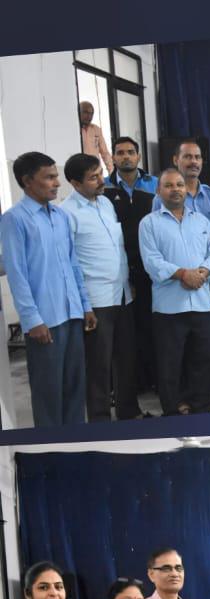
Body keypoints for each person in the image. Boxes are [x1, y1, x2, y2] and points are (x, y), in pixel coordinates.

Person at [0, 151, 95, 427]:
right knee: (48, 392)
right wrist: (32, 320)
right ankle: (49, 447)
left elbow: (73, 264)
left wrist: (85, 305)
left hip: (71, 313)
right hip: (45, 320)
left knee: (75, 388)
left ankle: (75, 442)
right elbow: (17, 274)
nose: (57, 183)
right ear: (27, 181)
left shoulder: (61, 216)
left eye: (56, 176)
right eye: (50, 177)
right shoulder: (15, 219)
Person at [61, 153, 143, 423]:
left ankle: (129, 412)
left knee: (126, 358)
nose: (100, 181)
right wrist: (84, 305)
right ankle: (99, 420)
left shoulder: (106, 203)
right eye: (93, 177)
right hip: (96, 300)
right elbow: (69, 263)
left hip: (122, 294)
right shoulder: (67, 213)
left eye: (100, 174)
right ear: (75, 183)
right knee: (99, 363)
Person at [139, 168, 210, 416]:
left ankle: (201, 409)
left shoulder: (202, 221)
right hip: (169, 308)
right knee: (170, 364)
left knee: (206, 360)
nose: (175, 189)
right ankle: (172, 414)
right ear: (158, 190)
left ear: (186, 189)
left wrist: (202, 273)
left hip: (201, 304)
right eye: (169, 185)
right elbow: (152, 261)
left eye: (179, 185)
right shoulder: (149, 223)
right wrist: (183, 274)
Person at [103, 136, 158, 396]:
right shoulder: (103, 188)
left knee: (150, 326)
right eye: (120, 152)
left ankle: (153, 380)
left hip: (151, 268)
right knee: (125, 333)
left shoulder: (155, 184)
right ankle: (128, 386)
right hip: (119, 271)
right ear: (113, 157)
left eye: (130, 152)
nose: (125, 156)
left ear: (138, 156)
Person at [152, 139, 210, 218]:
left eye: (197, 157)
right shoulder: (162, 198)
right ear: (175, 160)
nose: (194, 161)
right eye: (188, 157)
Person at [79, 100, 113, 173]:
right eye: (85, 112)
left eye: (91, 113)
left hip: (96, 170)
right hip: (81, 170)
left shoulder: (96, 129)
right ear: (78, 112)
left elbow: (105, 152)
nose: (89, 116)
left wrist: (111, 171)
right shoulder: (74, 130)